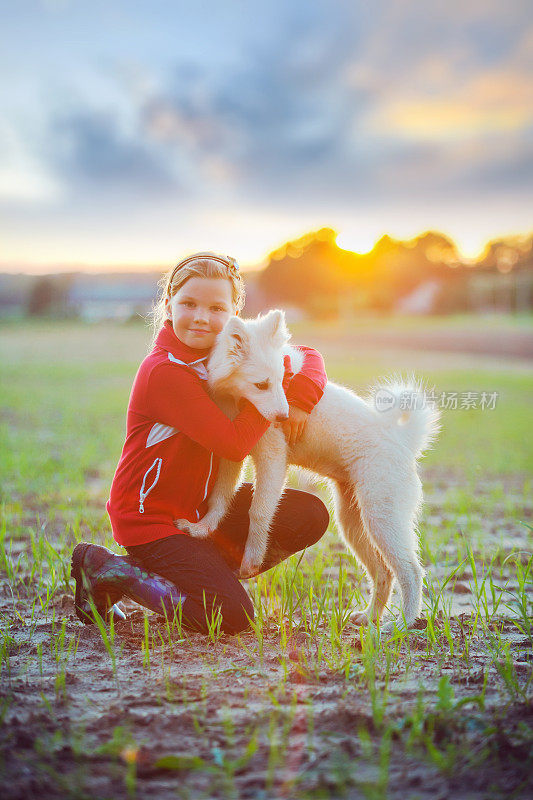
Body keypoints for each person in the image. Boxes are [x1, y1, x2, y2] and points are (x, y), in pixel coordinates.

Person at [71, 252, 329, 635]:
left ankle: (201, 572)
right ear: (169, 304)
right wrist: (274, 393)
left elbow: (309, 355)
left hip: (200, 509)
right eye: (188, 304)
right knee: (230, 616)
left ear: (234, 314)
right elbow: (233, 445)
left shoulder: (226, 354)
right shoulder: (165, 372)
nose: (202, 318)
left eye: (216, 308)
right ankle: (109, 569)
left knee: (308, 513)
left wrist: (300, 398)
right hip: (152, 521)